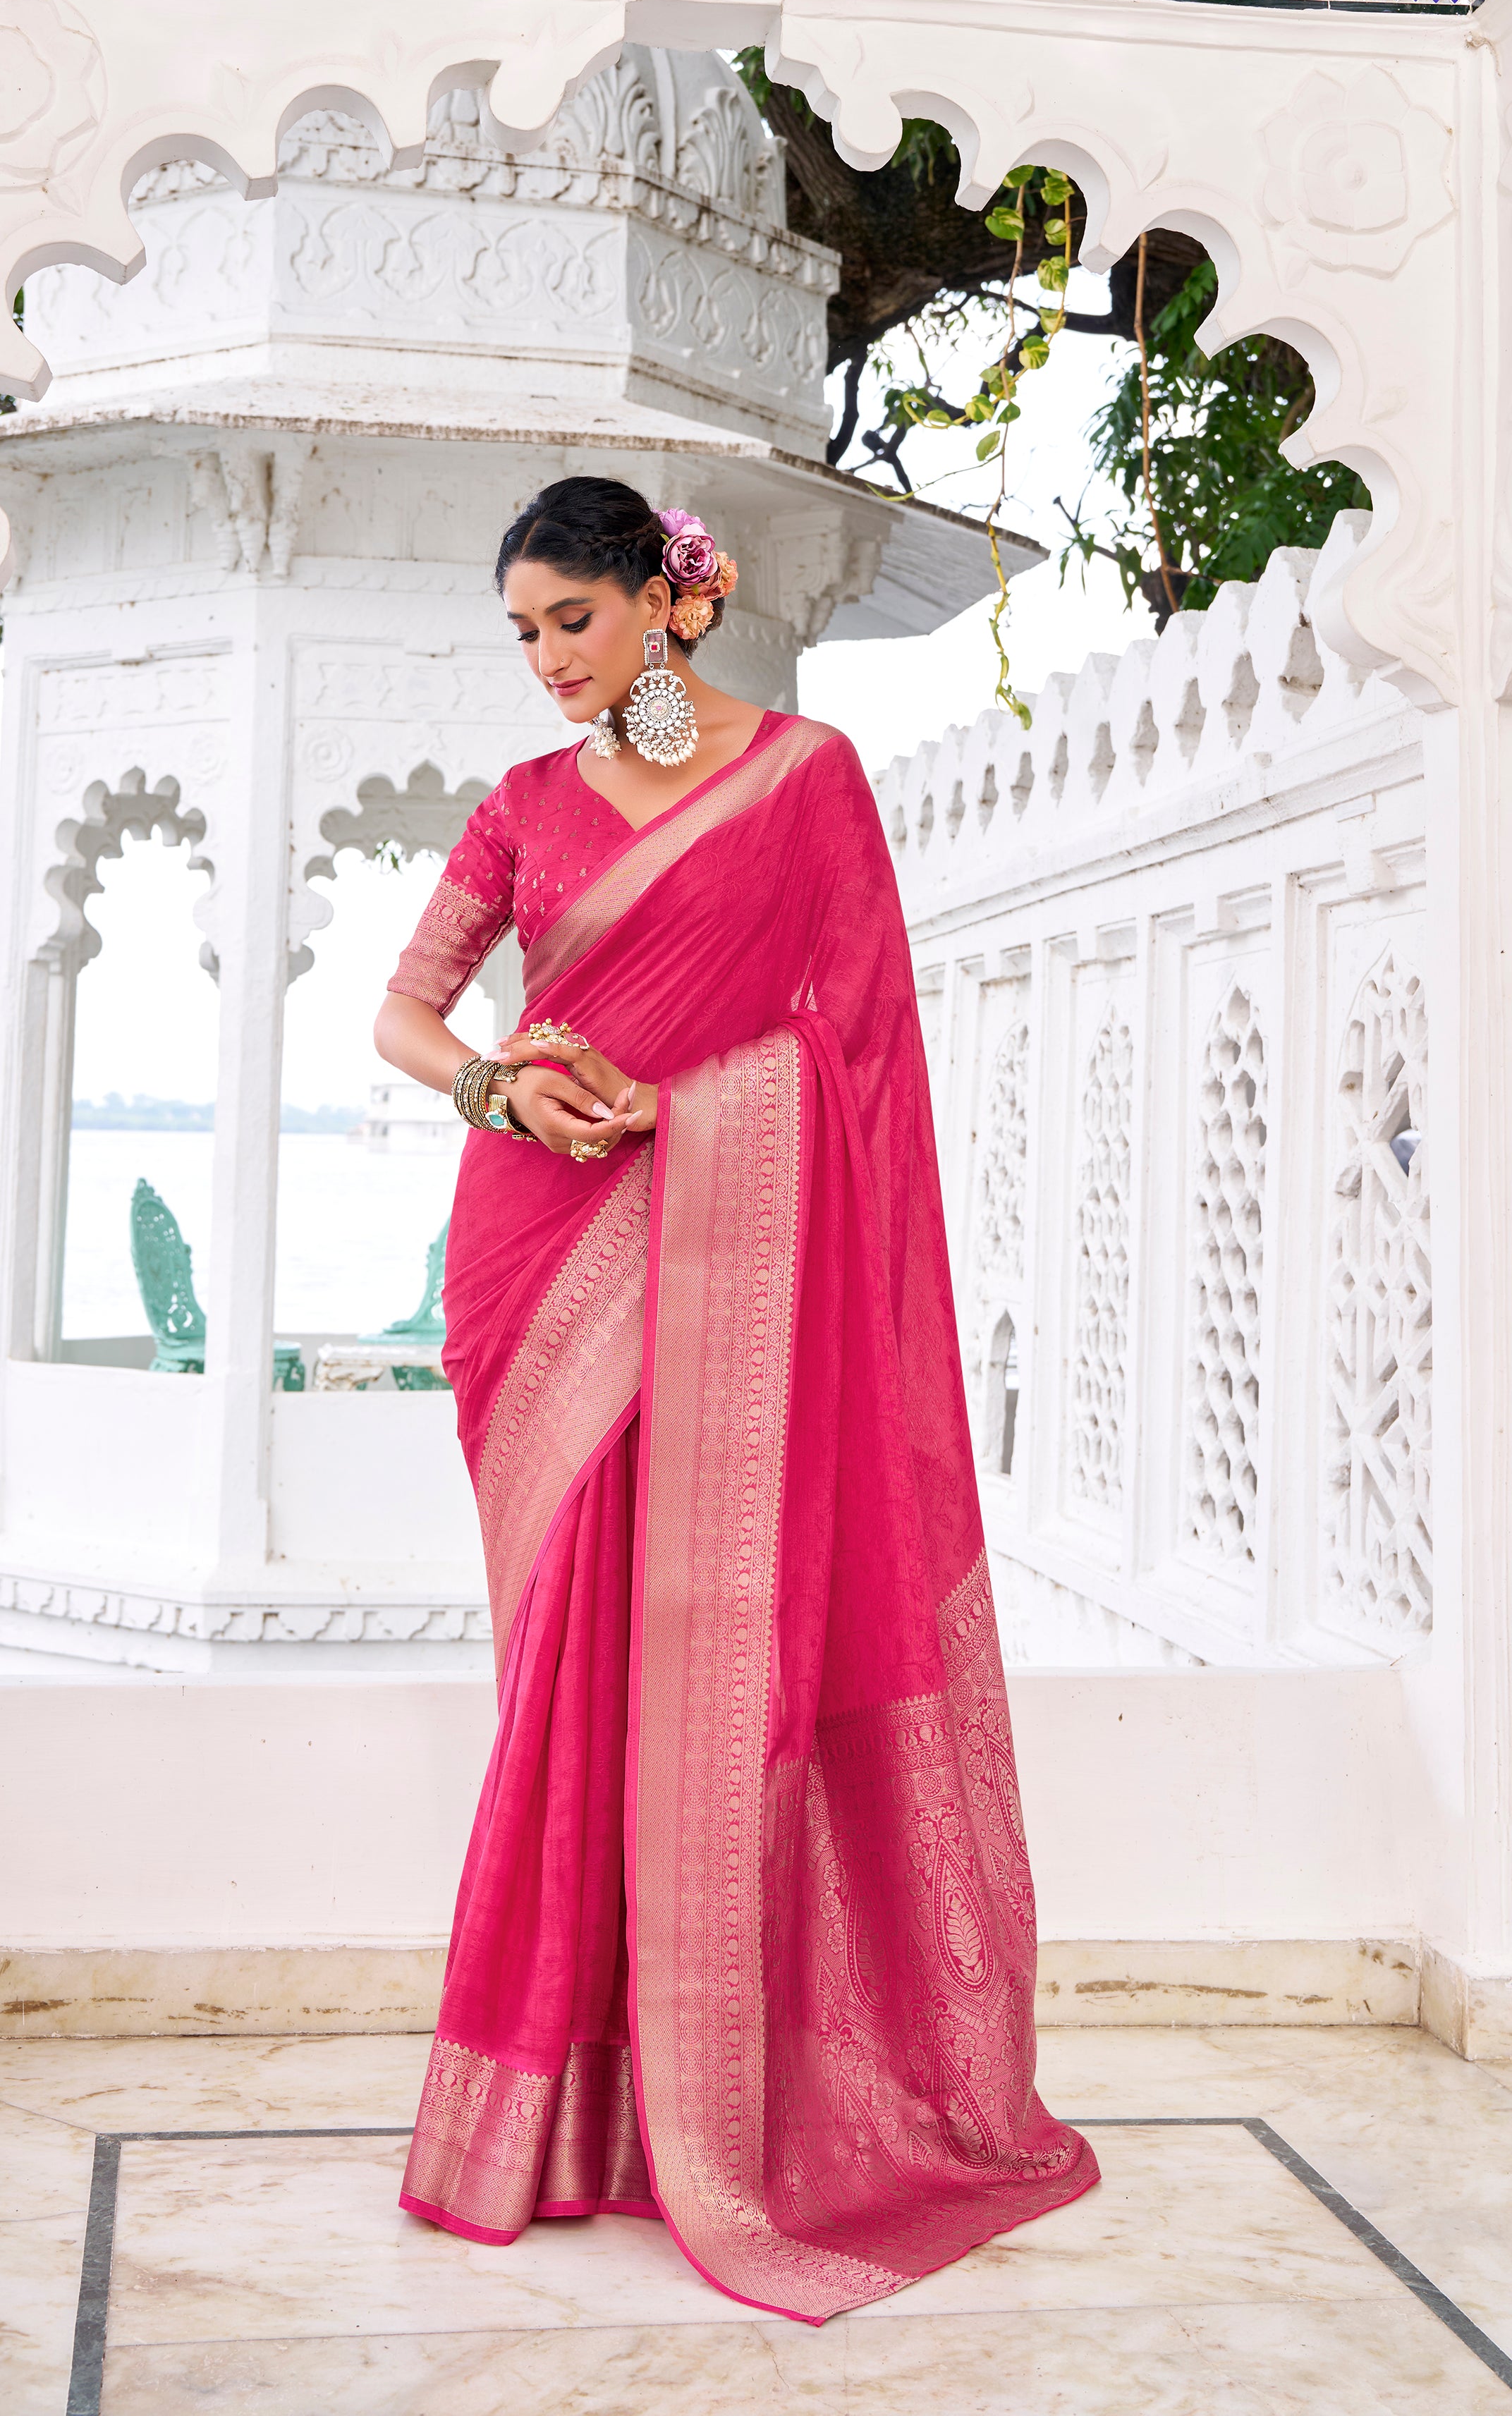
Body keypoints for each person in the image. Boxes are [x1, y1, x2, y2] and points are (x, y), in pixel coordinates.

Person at [372, 475, 1097, 2324]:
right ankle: (552, 2117)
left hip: (725, 1257)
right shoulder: (522, 810)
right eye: (524, 633)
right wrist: (497, 1090)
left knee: (717, 1666)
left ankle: (699, 2102)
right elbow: (407, 1015)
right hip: (537, 1261)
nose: (549, 661)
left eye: (574, 622)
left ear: (663, 601)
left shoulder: (802, 780)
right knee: (564, 1677)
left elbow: (857, 1049)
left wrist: (687, 1114)